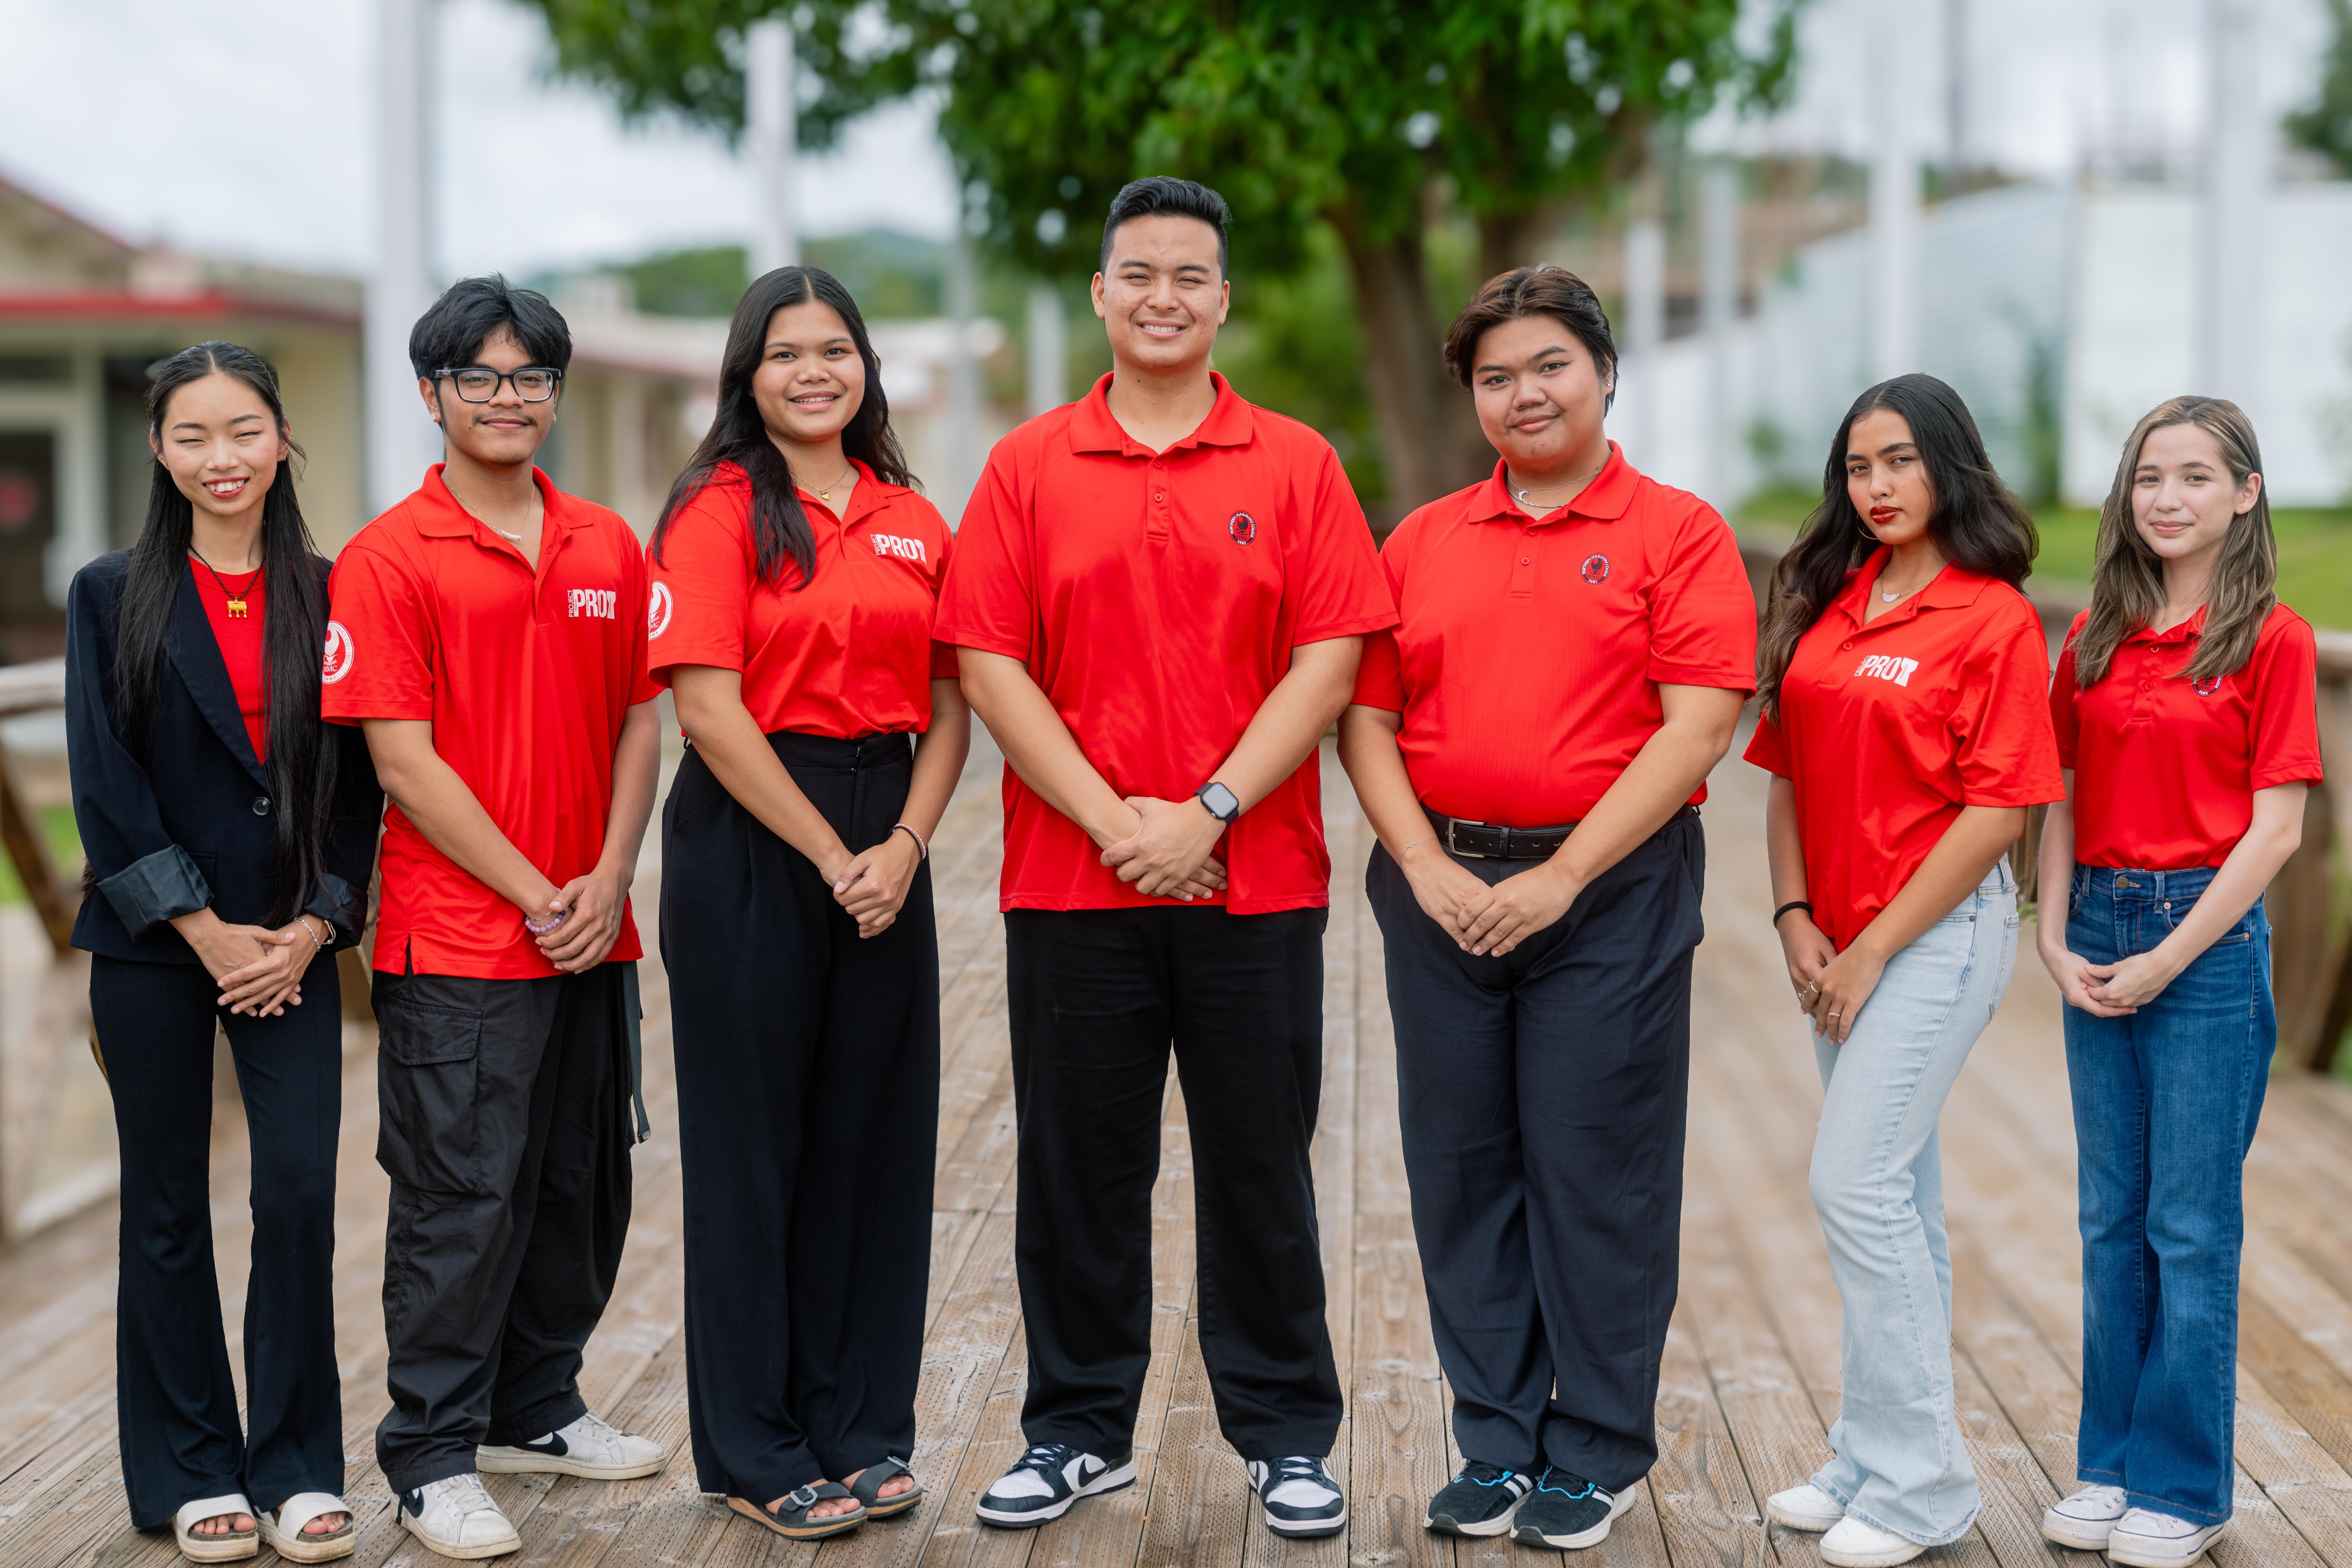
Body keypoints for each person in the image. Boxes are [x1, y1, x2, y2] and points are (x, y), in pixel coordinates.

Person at [934, 176, 1395, 1540]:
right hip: (1072, 884)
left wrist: (1202, 811)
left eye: (1189, 276)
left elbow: (1331, 662)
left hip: (1255, 880)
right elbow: (988, 663)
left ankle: (1285, 1433)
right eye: (1138, 273)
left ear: (1222, 298)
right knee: (1080, 1166)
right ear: (1099, 293)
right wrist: (1120, 826)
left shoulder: (1294, 464)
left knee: (1260, 1162)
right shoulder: (1025, 465)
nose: (1162, 297)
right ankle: (1078, 1430)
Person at [1336, 267, 1752, 1552]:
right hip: (1441, 888)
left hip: (1608, 893)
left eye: (1549, 367)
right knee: (1461, 1173)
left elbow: (1697, 728)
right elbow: (1366, 715)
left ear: (1606, 373)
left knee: (1596, 1174)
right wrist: (1423, 867)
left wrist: (1563, 875)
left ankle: (1594, 1451)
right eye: (1495, 377)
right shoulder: (1421, 540)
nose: (1523, 395)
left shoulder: (1676, 533)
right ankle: (1497, 1442)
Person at [324, 277, 666, 1560]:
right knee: (461, 1196)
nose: (509, 399)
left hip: (593, 929)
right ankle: (429, 1449)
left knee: (579, 1188)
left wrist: (611, 872)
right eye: (481, 378)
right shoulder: (386, 556)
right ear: (432, 395)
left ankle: (537, 1404)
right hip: (459, 940)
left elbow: (644, 714)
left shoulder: (603, 543)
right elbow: (402, 763)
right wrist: (537, 892)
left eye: (530, 378)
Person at [648, 265, 970, 1541]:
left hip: (885, 825)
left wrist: (899, 843)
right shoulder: (718, 510)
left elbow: (954, 706)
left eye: (834, 349)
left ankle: (860, 1427)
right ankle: (754, 1443)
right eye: (784, 354)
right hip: (750, 833)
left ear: (866, 367)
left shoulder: (910, 514)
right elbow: (708, 709)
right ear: (748, 375)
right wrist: (831, 855)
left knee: (873, 1144)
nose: (812, 372)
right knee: (753, 1152)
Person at [68, 342, 380, 1564]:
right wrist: (200, 928)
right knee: (164, 1205)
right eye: (193, 436)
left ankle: (297, 1466)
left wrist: (310, 928)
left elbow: (359, 785)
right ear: (158, 451)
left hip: (290, 948)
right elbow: (105, 784)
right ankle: (193, 1468)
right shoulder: (110, 594)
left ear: (283, 438)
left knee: (297, 1196)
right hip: (158, 945)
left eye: (243, 430)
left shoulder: (334, 587)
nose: (222, 458)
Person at [1747, 374, 2063, 1568]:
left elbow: (1995, 814)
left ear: (1947, 467)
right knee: (1900, 1204)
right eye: (1856, 467)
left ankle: (1925, 1486)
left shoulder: (1988, 619)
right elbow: (1781, 766)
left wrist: (1873, 946)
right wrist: (1790, 919)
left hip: (1933, 938)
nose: (1874, 487)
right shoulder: (1830, 602)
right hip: (1829, 937)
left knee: (1854, 1187)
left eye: (1898, 463)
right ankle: (1873, 1455)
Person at [2033, 398, 2316, 1568]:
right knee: (2108, 1221)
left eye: (2195, 477)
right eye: (2148, 476)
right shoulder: (2093, 636)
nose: (2165, 497)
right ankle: (2109, 1467)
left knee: (2186, 1226)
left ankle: (2185, 1485)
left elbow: (2277, 832)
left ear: (2242, 494)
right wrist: (2049, 936)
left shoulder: (2272, 639)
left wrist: (2166, 954)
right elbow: (2052, 790)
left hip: (2200, 939)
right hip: (2091, 920)